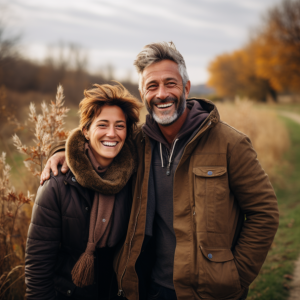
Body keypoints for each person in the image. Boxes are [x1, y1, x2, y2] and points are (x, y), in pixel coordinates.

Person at [41, 42, 279, 300]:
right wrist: (61, 150)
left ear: (186, 88)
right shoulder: (137, 143)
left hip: (210, 292)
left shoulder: (230, 144)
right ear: (143, 93)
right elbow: (99, 139)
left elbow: (264, 213)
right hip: (149, 288)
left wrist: (235, 276)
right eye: (152, 86)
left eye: (170, 83)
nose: (161, 94)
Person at [25, 83, 142, 300]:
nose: (112, 133)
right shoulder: (58, 183)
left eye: (120, 126)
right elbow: (38, 264)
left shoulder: (133, 177)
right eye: (103, 125)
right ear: (86, 131)